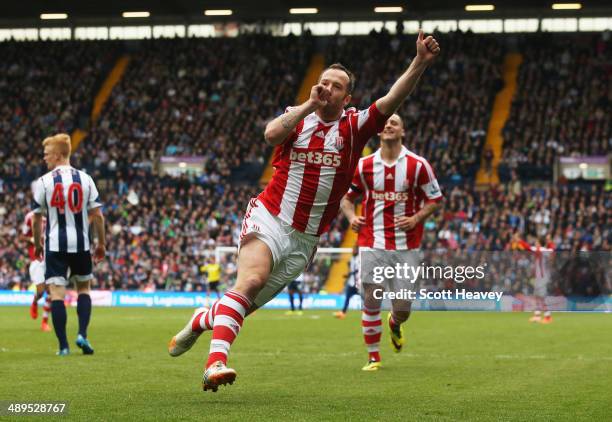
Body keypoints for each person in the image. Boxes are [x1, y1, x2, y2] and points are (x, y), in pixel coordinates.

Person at [168, 30, 441, 391]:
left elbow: (392, 98)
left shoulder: (354, 126)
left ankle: (201, 320)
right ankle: (215, 362)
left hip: (304, 240)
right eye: (323, 82)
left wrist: (420, 61)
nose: (328, 88)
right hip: (270, 216)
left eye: (337, 85)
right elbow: (269, 135)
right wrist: (308, 106)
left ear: (347, 97)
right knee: (250, 281)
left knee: (243, 306)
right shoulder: (298, 117)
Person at [340, 112, 444, 371]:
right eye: (385, 123)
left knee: (403, 307)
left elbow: (435, 199)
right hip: (371, 242)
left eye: (394, 123)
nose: (388, 125)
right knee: (371, 300)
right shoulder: (364, 166)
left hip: (406, 246)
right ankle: (373, 357)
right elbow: (346, 198)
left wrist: (417, 217)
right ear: (378, 131)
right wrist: (352, 217)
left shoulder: (418, 166)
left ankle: (395, 323)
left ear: (402, 131)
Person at [31, 133, 106, 355]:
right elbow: (98, 216)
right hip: (81, 243)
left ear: (58, 154)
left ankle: (63, 346)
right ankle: (82, 334)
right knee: (84, 288)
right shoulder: (86, 179)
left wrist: (37, 244)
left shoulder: (44, 182)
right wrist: (101, 243)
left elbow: (36, 218)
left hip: (54, 244)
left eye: (46, 154)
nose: (44, 158)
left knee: (56, 293)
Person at [22, 210, 51, 331]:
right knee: (41, 291)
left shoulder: (52, 215)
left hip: (50, 258)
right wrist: (32, 239)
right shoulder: (30, 216)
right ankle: (35, 301)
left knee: (51, 291)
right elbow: (22, 236)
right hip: (36, 259)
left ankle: (44, 322)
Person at [333, 245, 360, 319]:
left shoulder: (359, 259)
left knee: (365, 298)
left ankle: (369, 311)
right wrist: (348, 275)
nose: (353, 251)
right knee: (347, 298)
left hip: (358, 283)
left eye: (354, 250)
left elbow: (358, 270)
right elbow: (351, 270)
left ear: (357, 251)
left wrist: (349, 274)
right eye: (353, 250)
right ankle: (343, 313)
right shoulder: (352, 259)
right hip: (351, 283)